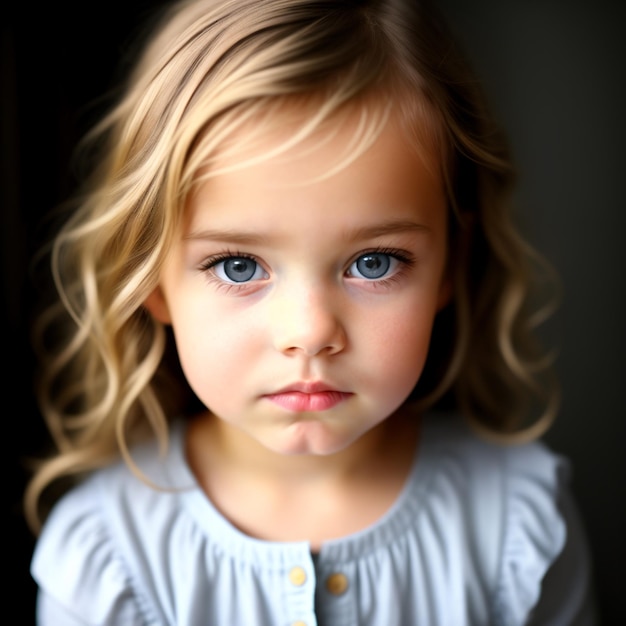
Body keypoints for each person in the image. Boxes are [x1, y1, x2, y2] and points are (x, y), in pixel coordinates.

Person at [24, 0, 596, 623]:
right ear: (152, 282)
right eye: (239, 266)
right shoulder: (107, 556)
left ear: (448, 268)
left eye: (375, 263)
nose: (309, 333)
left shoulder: (519, 525)